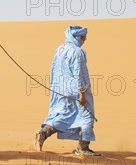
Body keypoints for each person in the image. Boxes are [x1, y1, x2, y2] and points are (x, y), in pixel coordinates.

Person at [34, 26, 101, 156]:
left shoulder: (59, 49)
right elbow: (79, 74)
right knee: (87, 116)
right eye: (83, 37)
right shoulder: (78, 52)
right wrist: (82, 94)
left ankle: (43, 133)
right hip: (77, 90)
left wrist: (56, 88)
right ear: (77, 37)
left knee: (64, 114)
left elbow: (54, 70)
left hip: (60, 90)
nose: (85, 39)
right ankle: (83, 148)